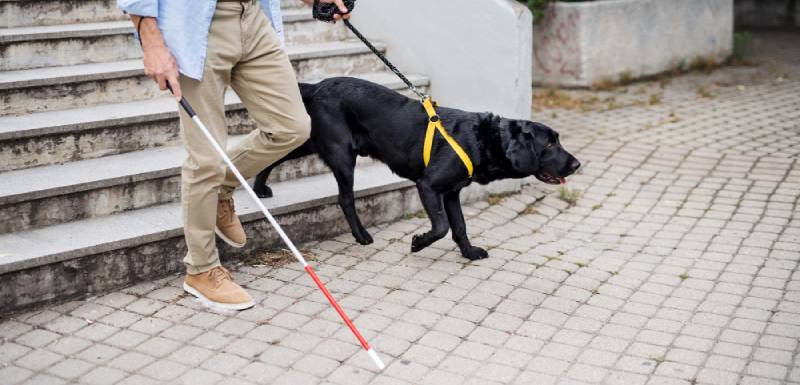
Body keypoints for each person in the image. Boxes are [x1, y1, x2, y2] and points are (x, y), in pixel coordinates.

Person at [117, 0, 352, 310]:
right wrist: (150, 40)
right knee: (206, 159)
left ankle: (222, 187)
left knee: (291, 128)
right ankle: (201, 269)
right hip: (198, 25)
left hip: (252, 18)